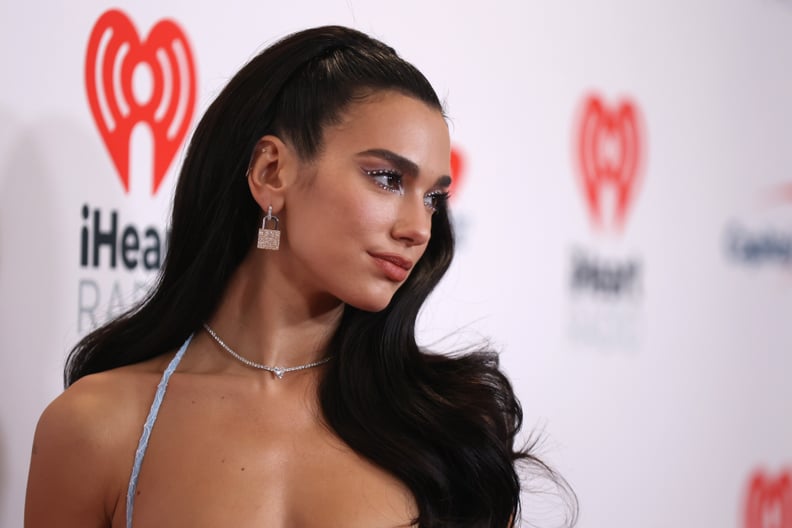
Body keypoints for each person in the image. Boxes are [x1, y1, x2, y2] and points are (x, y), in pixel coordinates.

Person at [25, 25, 574, 528]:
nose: (418, 228)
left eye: (433, 199)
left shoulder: (454, 429)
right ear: (271, 172)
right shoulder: (95, 429)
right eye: (386, 178)